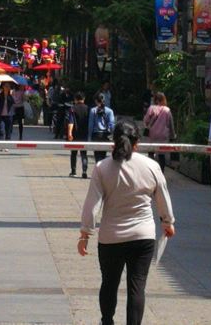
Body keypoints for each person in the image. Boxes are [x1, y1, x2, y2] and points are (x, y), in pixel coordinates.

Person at [78, 121, 175, 325]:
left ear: (113, 141)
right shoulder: (151, 166)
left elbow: (92, 204)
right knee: (137, 287)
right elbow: (163, 197)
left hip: (111, 237)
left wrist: (85, 234)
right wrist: (167, 222)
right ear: (137, 142)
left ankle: (107, 321)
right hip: (143, 236)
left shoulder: (102, 167)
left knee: (109, 284)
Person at [143, 91, 175, 172]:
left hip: (152, 134)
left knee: (151, 153)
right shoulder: (167, 110)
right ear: (164, 99)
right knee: (161, 155)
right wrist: (172, 136)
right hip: (163, 136)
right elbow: (171, 124)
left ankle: (150, 171)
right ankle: (161, 172)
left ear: (155, 99)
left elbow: (146, 120)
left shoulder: (151, 108)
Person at [67, 91, 89, 178]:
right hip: (85, 134)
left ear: (75, 99)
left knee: (74, 153)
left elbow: (71, 122)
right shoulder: (88, 108)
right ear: (84, 99)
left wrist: (69, 133)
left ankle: (73, 171)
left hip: (75, 134)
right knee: (84, 153)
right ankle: (84, 171)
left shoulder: (72, 108)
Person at [88, 92, 115, 163]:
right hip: (105, 135)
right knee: (103, 155)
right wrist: (112, 135)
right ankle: (102, 168)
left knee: (97, 155)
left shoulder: (93, 110)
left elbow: (91, 125)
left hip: (96, 135)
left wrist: (89, 137)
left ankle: (98, 167)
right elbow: (112, 124)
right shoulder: (110, 111)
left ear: (96, 101)